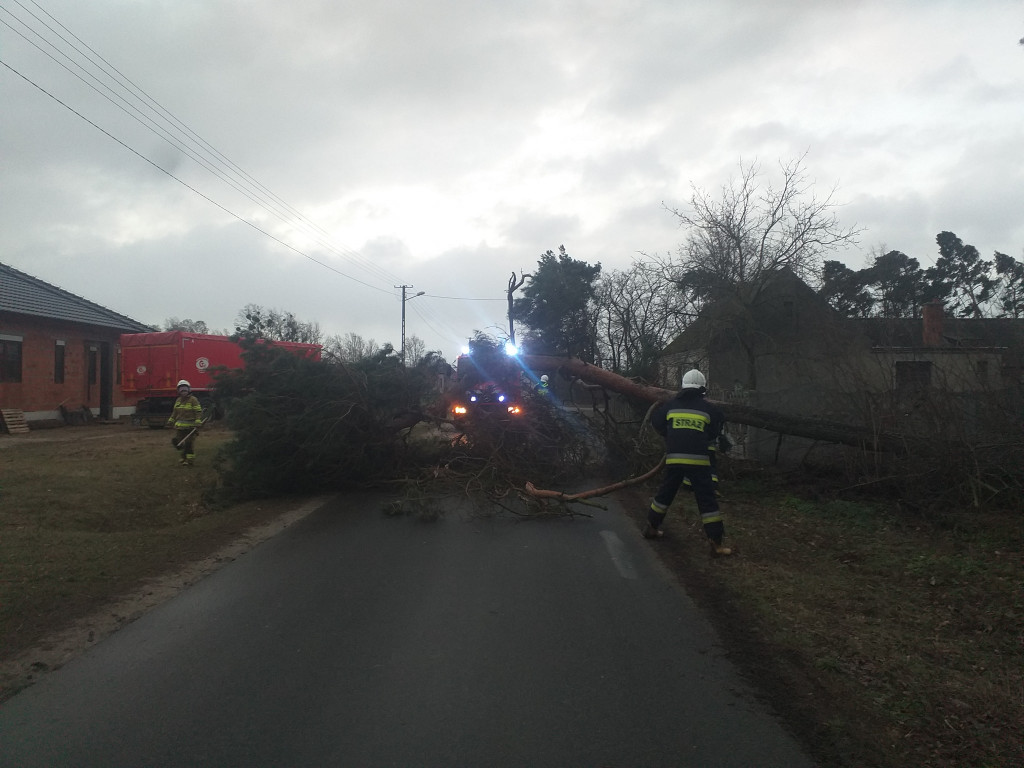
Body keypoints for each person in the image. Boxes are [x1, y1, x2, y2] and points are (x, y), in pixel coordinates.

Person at [644, 369, 732, 556]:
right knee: (707, 500)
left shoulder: (670, 405)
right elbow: (715, 430)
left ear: (683, 386)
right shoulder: (709, 409)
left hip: (674, 459)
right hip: (699, 462)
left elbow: (657, 423)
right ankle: (716, 543)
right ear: (702, 388)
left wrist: (671, 435)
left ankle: (651, 527)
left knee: (665, 494)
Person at [166, 379, 203, 466]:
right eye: (181, 390)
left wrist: (198, 422)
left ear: (189, 390)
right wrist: (170, 420)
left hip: (191, 427)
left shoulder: (193, 400)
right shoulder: (178, 400)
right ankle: (183, 456)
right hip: (180, 428)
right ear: (179, 391)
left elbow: (198, 411)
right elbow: (175, 412)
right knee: (177, 442)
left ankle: (189, 461)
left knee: (188, 444)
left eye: (185, 389)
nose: (183, 392)